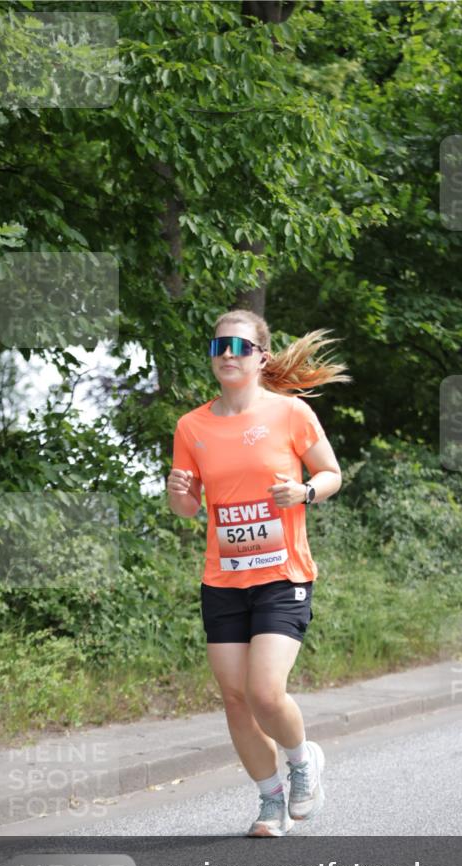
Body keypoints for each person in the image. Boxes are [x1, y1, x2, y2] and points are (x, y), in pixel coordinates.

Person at [167, 309, 350, 837]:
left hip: (282, 575)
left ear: (261, 357)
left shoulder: (291, 413)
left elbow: (331, 472)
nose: (228, 354)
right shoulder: (192, 426)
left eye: (240, 346)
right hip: (223, 580)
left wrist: (305, 491)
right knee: (235, 699)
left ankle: (302, 762)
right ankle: (271, 800)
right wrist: (179, 494)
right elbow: (188, 507)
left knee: (265, 692)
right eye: (219, 345)